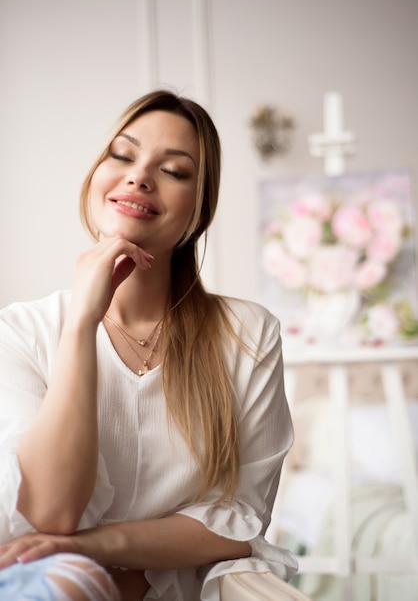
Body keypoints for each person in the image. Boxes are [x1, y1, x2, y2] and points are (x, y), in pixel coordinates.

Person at [0, 89, 297, 600]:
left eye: (175, 171)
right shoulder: (21, 332)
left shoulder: (248, 335)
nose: (139, 175)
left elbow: (239, 520)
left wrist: (97, 546)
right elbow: (50, 511)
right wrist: (82, 324)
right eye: (122, 154)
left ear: (197, 211)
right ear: (96, 175)